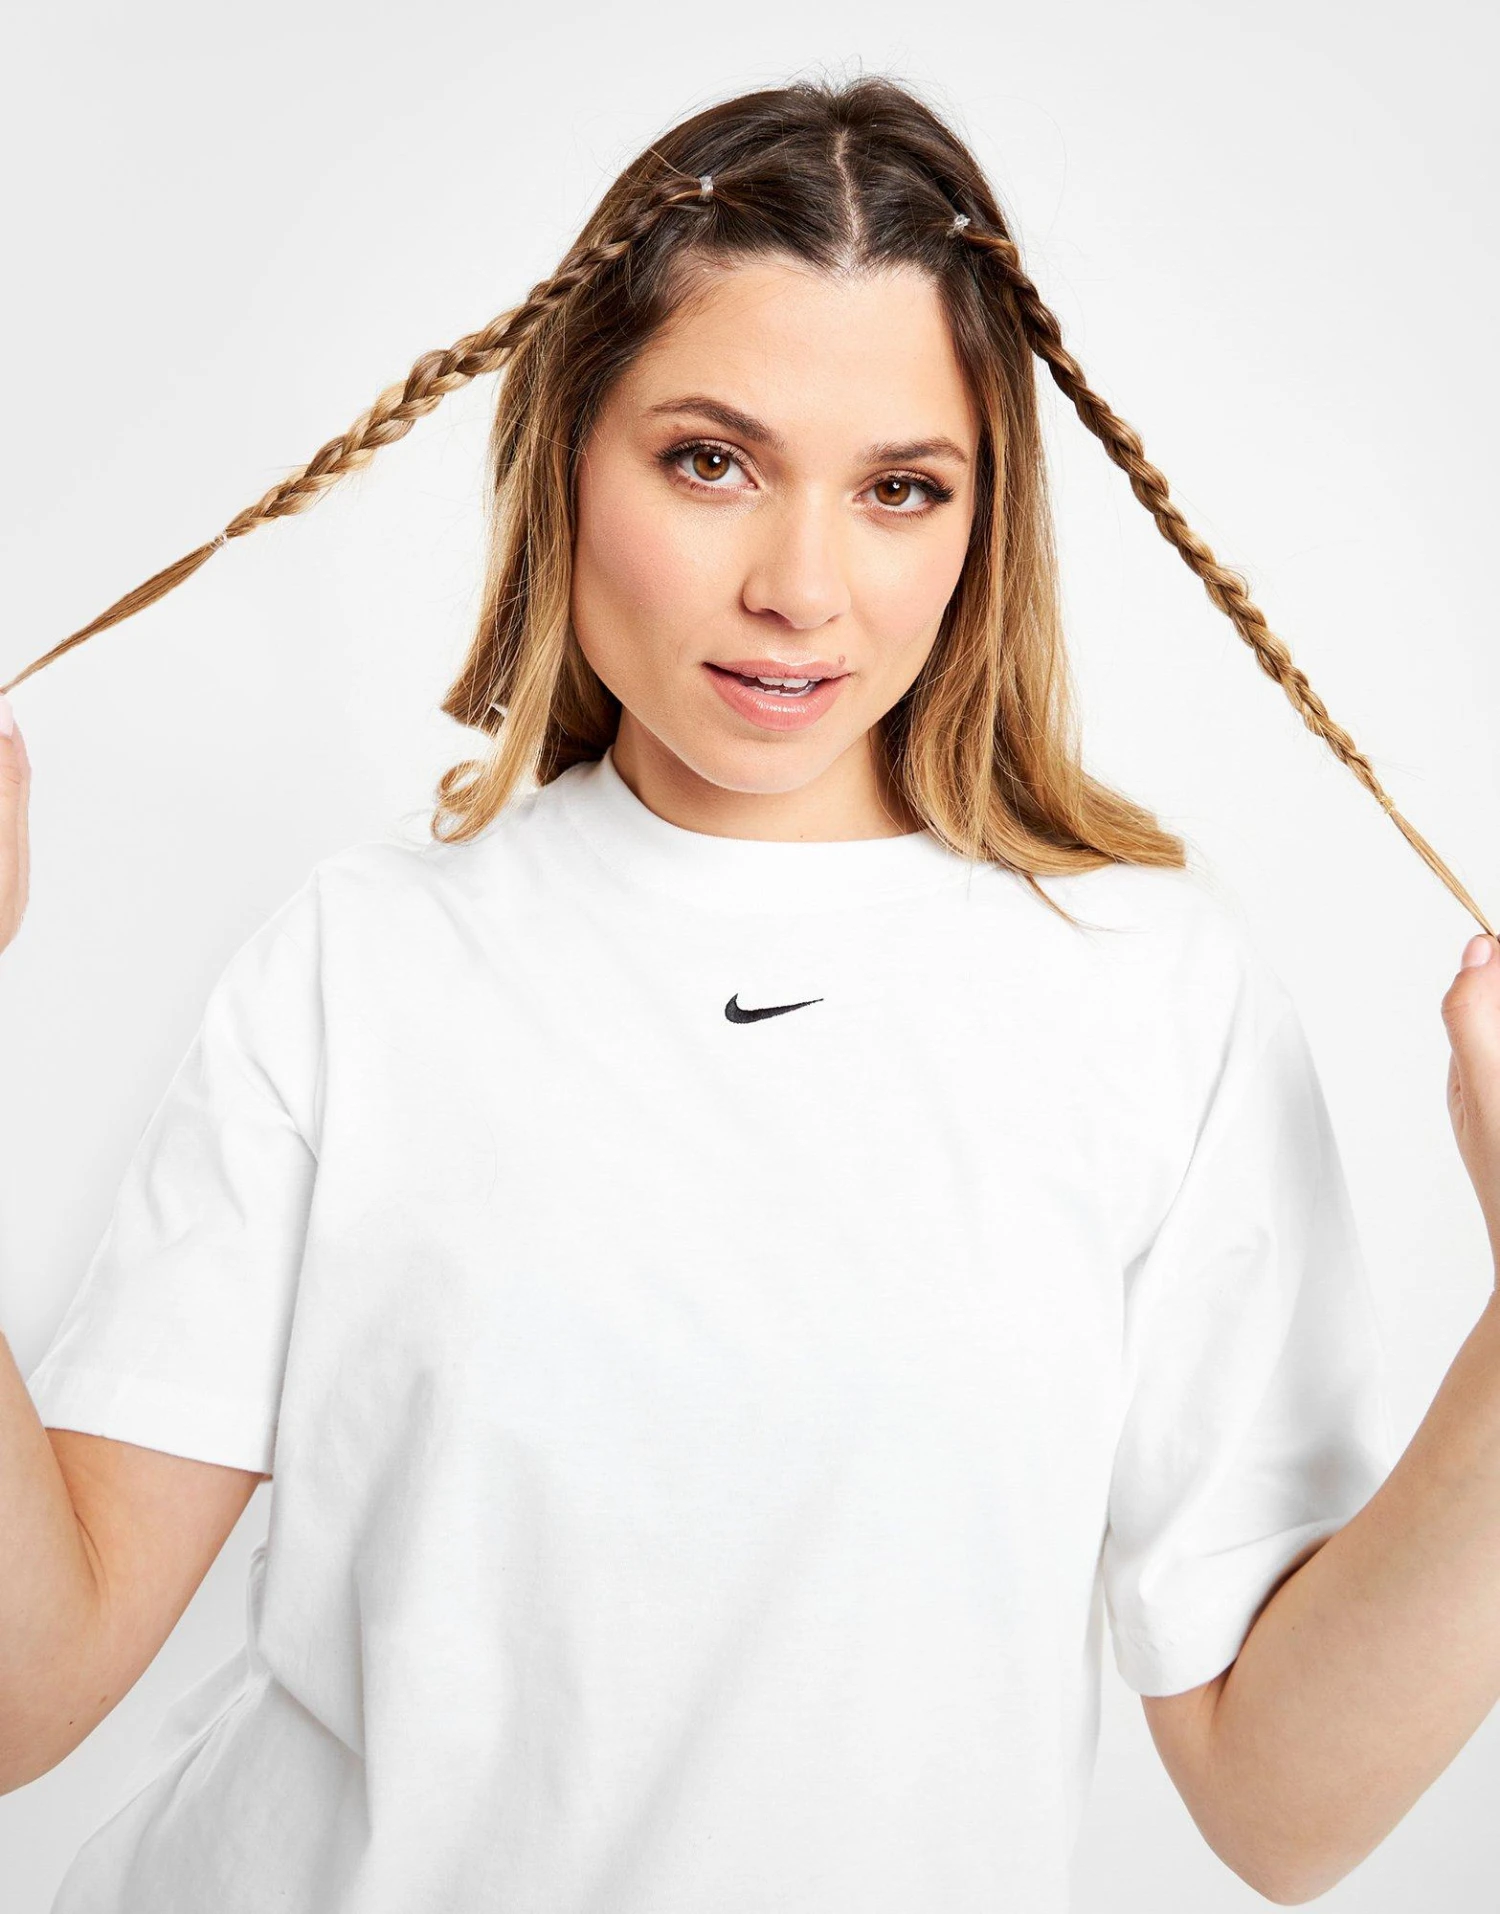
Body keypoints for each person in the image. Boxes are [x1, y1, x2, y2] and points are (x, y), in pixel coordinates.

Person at [4, 72, 1500, 1914]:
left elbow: (1289, 1811)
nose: (802, 588)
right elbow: (26, 1686)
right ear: (569, 450)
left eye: (900, 489)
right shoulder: (361, 956)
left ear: (984, 522)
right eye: (711, 461)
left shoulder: (1152, 998)